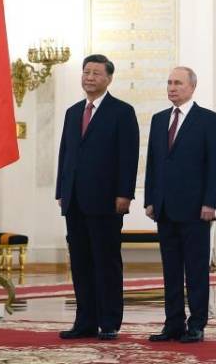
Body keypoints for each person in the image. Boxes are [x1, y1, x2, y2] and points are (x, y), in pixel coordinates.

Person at [55, 54, 139, 341]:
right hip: (74, 200)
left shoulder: (122, 112)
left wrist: (125, 193)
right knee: (80, 262)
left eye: (95, 73)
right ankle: (85, 321)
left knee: (106, 262)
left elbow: (129, 156)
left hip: (106, 200)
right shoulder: (72, 112)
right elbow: (65, 154)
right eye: (86, 72)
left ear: (108, 78)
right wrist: (61, 191)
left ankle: (109, 321)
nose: (89, 77)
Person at [144, 66, 216, 343]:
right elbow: (153, 163)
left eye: (177, 83)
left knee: (196, 269)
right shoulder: (158, 120)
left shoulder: (208, 120)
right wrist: (150, 200)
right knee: (171, 270)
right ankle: (173, 324)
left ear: (192, 87)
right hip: (164, 208)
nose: (172, 87)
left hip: (195, 209)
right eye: (169, 82)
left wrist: (210, 202)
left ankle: (197, 324)